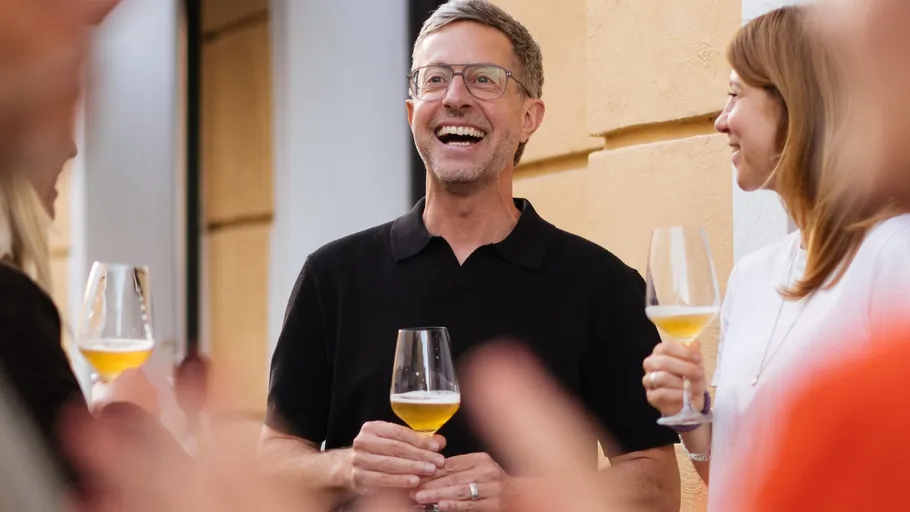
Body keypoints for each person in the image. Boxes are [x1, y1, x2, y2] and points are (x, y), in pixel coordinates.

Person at [260, 1, 680, 511]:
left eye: (484, 79)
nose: (455, 98)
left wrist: (519, 497)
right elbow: (273, 468)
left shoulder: (604, 285)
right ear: (413, 113)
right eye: (435, 79)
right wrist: (346, 466)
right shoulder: (331, 278)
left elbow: (658, 490)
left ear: (530, 117)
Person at [641, 5, 910, 510]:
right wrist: (693, 416)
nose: (720, 121)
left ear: (796, 102)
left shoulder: (894, 257)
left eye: (736, 93)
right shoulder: (752, 275)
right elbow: (738, 480)